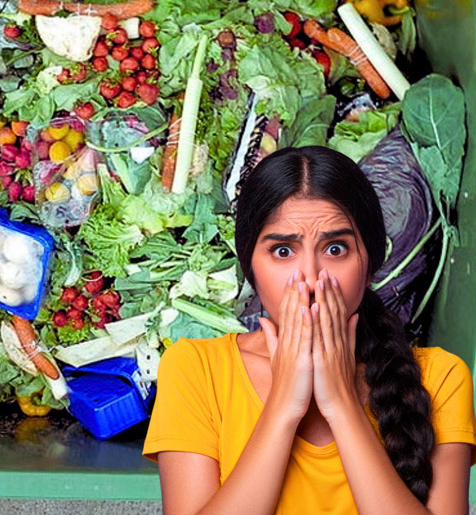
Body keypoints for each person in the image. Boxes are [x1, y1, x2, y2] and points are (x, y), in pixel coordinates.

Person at [142, 145, 476, 515]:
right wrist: (285, 403)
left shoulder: (441, 378)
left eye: (335, 249)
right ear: (250, 267)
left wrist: (341, 403)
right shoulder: (195, 369)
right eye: (283, 252)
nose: (312, 279)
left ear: (370, 264)